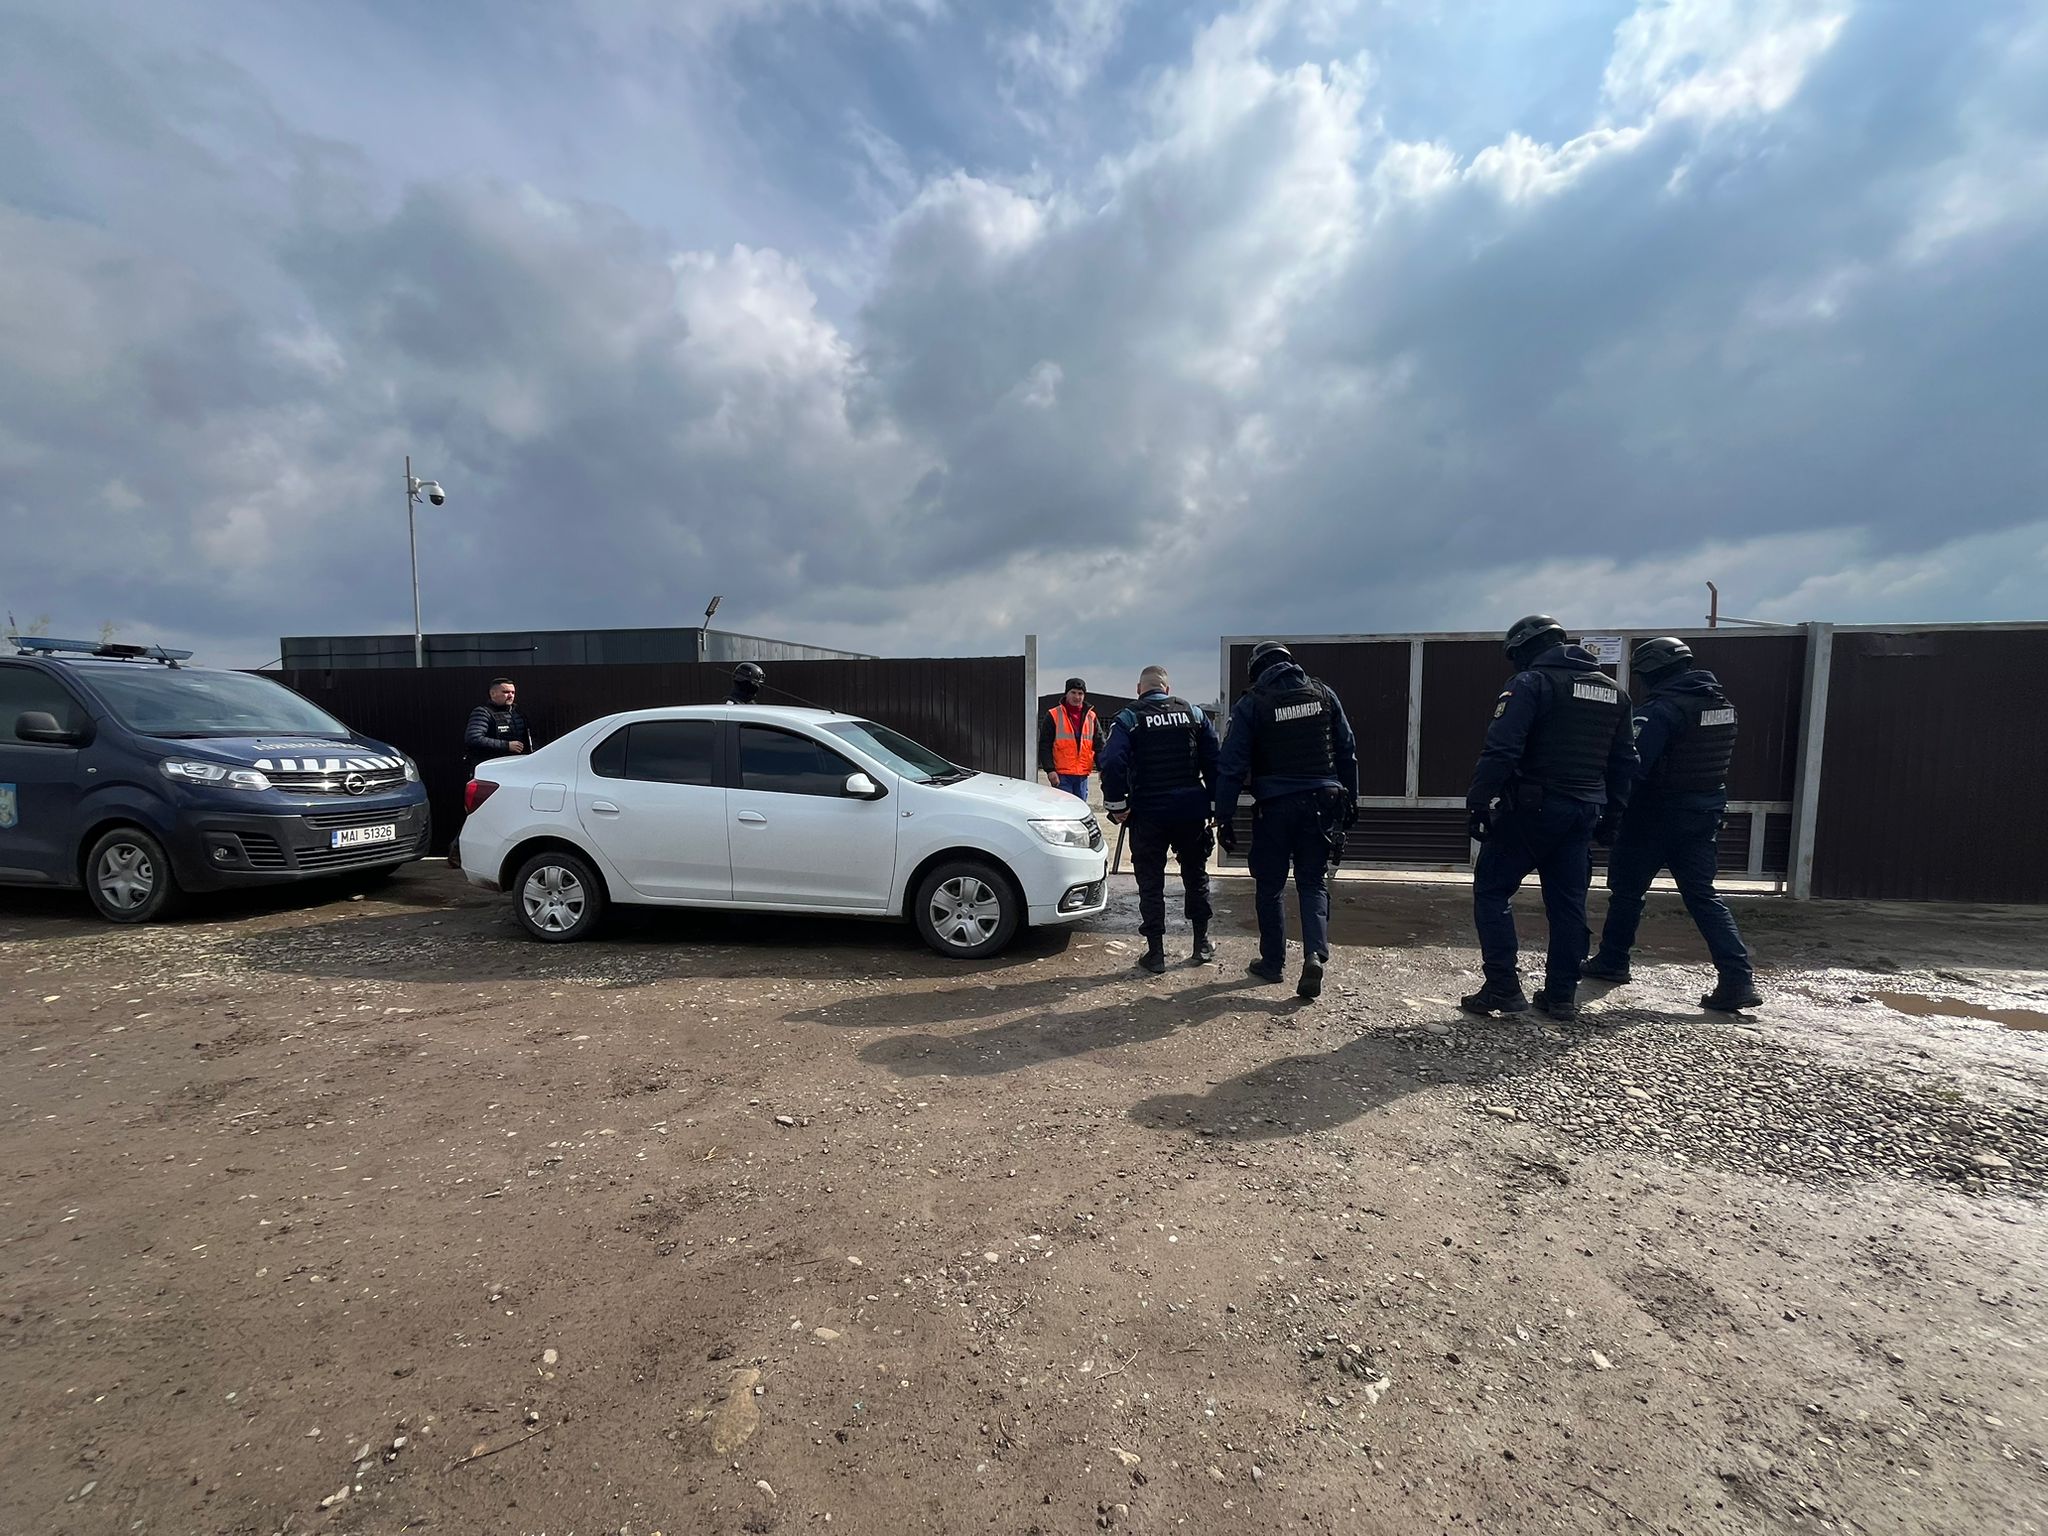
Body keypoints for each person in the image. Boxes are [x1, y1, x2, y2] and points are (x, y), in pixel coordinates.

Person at [1462, 616, 1636, 1023]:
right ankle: (1561, 996)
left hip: (1531, 808)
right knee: (1568, 903)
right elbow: (1625, 761)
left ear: (1525, 648)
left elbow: (1502, 749)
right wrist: (1613, 815)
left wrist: (1479, 802)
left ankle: (1502, 986)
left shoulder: (1531, 683)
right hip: (1584, 812)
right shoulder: (1614, 693)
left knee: (1492, 890)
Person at [1582, 638, 1763, 1012]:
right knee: (1702, 895)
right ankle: (1737, 978)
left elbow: (1634, 768)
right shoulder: (1721, 706)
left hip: (1653, 816)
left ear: (1651, 671)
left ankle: (1613, 960)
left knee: (1627, 892)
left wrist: (1610, 814)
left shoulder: (1661, 711)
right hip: (1703, 813)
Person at [1213, 641, 1358, 1001]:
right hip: (1322, 803)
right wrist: (1352, 800)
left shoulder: (1252, 703)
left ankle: (1272, 963)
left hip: (1275, 806)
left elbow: (1231, 765)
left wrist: (1224, 817)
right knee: (1312, 882)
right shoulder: (1324, 694)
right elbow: (1347, 750)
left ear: (1256, 670)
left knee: (1271, 885)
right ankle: (1314, 956)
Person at [1100, 666, 1221, 973]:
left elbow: (1111, 760)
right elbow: (1214, 760)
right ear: (1167, 689)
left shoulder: (1129, 717)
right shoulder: (1194, 714)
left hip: (1148, 812)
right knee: (1195, 875)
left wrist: (1117, 805)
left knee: (1150, 882)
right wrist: (1216, 805)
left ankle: (1156, 954)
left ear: (1138, 689)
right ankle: (1201, 943)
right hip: (1190, 810)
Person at [1038, 678, 1106, 803]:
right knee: (1064, 809)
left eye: (1080, 693)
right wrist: (1050, 770)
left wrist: (1102, 768)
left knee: (1080, 808)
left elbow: (1099, 745)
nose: (1077, 697)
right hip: (1061, 775)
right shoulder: (1054, 715)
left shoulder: (1091, 717)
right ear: (1066, 694)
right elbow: (1045, 745)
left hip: (1082, 776)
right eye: (1073, 692)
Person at [464, 677, 534, 774]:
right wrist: (506, 745)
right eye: (506, 692)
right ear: (493, 694)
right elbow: (473, 738)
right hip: (490, 767)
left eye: (513, 692)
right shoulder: (483, 713)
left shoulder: (518, 713)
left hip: (515, 766)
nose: (511, 695)